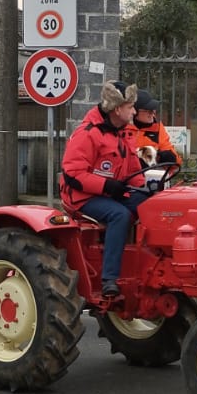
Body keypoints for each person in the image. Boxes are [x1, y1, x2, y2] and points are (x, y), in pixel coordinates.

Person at [60, 80, 149, 299]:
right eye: (131, 107)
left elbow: (134, 170)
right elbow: (73, 173)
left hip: (112, 192)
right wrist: (107, 185)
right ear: (118, 109)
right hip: (83, 197)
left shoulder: (124, 132)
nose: (134, 111)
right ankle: (110, 279)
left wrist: (145, 192)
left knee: (150, 206)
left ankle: (146, 266)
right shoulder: (88, 133)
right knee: (120, 215)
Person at [126, 91, 180, 170]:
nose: (153, 114)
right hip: (130, 177)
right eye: (149, 110)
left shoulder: (158, 128)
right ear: (135, 111)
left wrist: (167, 157)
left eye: (154, 110)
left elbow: (176, 163)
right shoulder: (122, 128)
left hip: (154, 177)